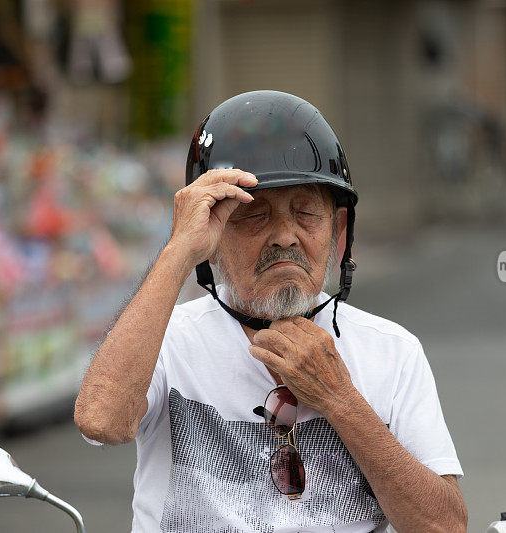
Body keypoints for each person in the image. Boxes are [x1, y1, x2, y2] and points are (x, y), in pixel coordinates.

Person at [74, 90, 466, 533]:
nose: (285, 236)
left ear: (338, 231)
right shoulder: (167, 339)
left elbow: (443, 528)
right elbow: (101, 419)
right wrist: (178, 250)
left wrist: (340, 400)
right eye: (255, 216)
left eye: (305, 213)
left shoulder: (392, 352)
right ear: (213, 237)